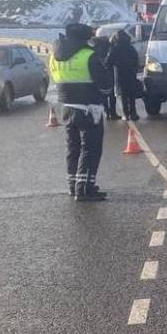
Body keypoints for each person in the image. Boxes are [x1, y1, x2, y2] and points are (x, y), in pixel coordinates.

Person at [50, 23, 114, 201]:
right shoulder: (89, 56)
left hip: (65, 107)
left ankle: (73, 185)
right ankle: (84, 189)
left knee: (73, 147)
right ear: (85, 38)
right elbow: (107, 86)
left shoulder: (55, 56)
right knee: (91, 149)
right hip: (88, 108)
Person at [108, 29, 140, 121]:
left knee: (124, 95)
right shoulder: (131, 47)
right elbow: (136, 60)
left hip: (120, 74)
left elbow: (109, 62)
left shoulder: (115, 49)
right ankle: (133, 113)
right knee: (132, 95)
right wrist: (134, 70)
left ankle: (126, 114)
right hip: (131, 73)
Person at [91, 35, 121, 120]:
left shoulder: (95, 51)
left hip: (100, 75)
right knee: (112, 95)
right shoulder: (109, 49)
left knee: (103, 95)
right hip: (109, 73)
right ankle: (113, 113)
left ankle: (106, 113)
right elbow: (113, 61)